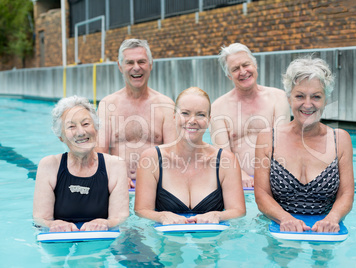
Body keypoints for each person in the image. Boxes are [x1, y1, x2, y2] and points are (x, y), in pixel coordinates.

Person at [254, 56, 354, 233]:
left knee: (321, 258)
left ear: (325, 99)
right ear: (289, 98)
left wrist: (332, 218)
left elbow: (346, 194)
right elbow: (261, 194)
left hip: (326, 228)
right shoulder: (268, 138)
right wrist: (285, 219)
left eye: (316, 97)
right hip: (278, 227)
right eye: (300, 96)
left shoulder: (340, 139)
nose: (308, 104)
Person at [134, 87, 246, 224]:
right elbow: (141, 210)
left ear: (209, 120)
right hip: (168, 240)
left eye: (200, 114)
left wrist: (218, 215)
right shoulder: (151, 159)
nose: (192, 120)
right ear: (174, 117)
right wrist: (162, 216)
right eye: (185, 113)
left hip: (212, 241)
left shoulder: (226, 160)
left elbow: (238, 210)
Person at [33, 96, 129, 232]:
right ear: (61, 137)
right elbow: (40, 219)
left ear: (96, 128)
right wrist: (53, 225)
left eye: (86, 124)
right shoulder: (49, 166)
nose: (81, 132)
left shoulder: (115, 165)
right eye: (71, 126)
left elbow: (121, 218)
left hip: (102, 242)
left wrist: (106, 223)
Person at [96, 39, 176, 188]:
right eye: (130, 63)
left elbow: (173, 156)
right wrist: (115, 176)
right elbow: (99, 154)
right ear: (120, 66)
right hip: (117, 185)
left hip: (155, 187)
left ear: (151, 65)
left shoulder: (166, 105)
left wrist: (152, 182)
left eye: (141, 62)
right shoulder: (107, 105)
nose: (136, 68)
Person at [210, 43, 290, 188]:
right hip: (237, 180)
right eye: (235, 69)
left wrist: (270, 178)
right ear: (229, 75)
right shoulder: (218, 107)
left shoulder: (278, 98)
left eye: (246, 65)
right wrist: (239, 174)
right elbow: (223, 154)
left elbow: (282, 144)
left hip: (274, 178)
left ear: (255, 65)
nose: (243, 72)